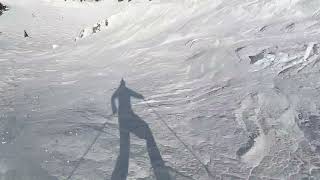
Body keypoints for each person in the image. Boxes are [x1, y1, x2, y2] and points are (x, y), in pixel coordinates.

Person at [111, 79, 170, 180]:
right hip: (128, 116)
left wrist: (114, 109)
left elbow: (113, 98)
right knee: (145, 127)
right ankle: (154, 157)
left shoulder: (119, 90)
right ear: (123, 84)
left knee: (124, 139)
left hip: (122, 117)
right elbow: (133, 94)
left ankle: (121, 166)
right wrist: (140, 96)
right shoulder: (125, 90)